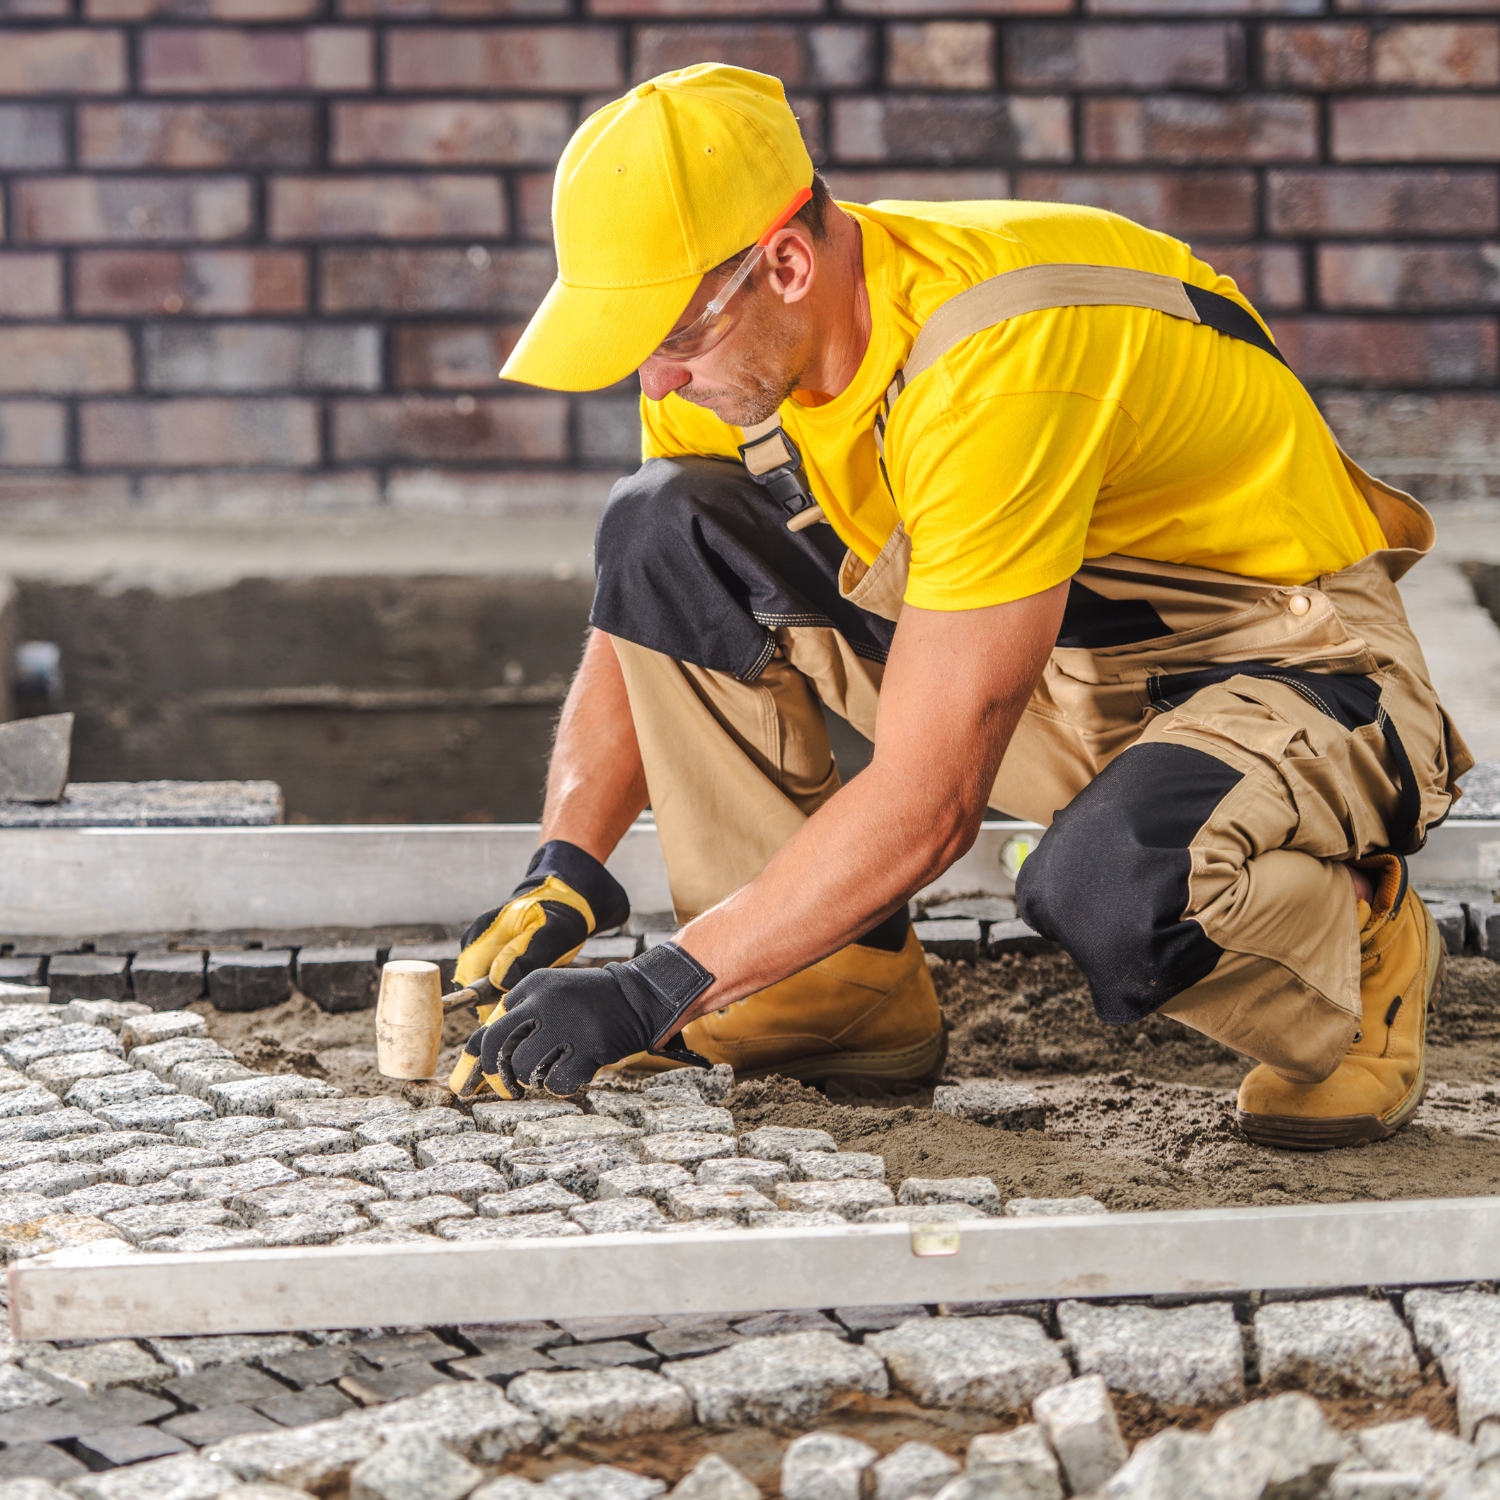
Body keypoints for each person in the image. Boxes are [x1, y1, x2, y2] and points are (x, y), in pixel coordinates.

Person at [446, 63, 1470, 1151]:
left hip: (1283, 665)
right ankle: (823, 994)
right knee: (664, 519)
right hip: (1050, 659)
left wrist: (656, 987)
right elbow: (650, 601)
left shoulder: (998, 360)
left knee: (1111, 885)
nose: (654, 384)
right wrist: (567, 866)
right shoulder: (741, 361)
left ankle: (1359, 955)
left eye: (668, 339)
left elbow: (933, 804)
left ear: (786, 262)